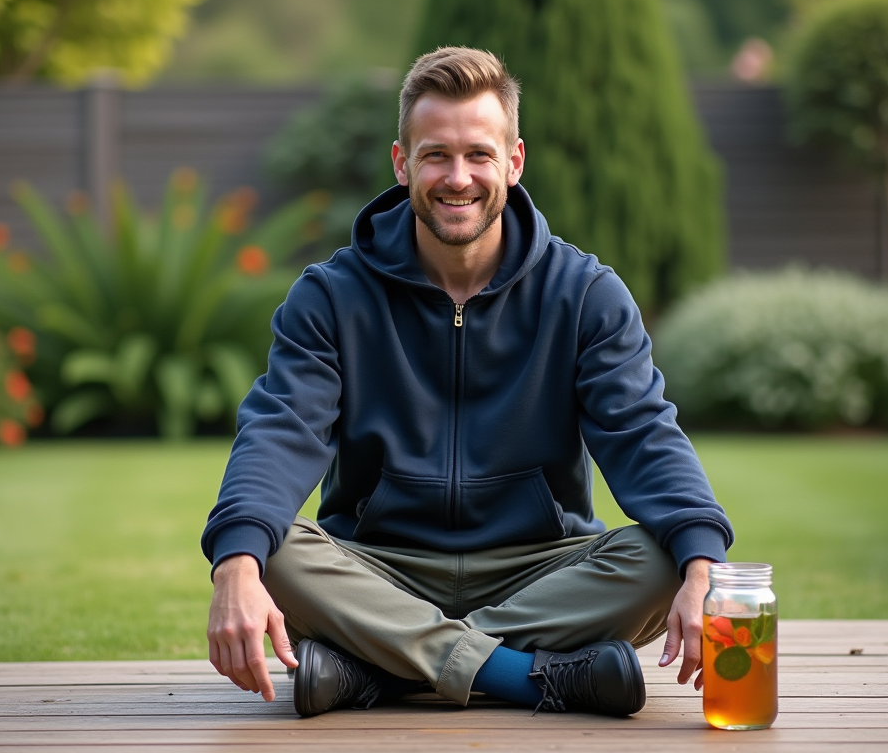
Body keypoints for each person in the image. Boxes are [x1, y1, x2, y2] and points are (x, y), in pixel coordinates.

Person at [202, 46, 733, 718]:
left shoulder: (585, 293)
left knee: (667, 556)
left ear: (513, 162)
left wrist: (701, 564)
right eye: (436, 156)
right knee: (268, 550)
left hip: (542, 568)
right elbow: (280, 430)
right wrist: (236, 568)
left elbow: (642, 432)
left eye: (479, 155)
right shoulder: (331, 297)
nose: (459, 178)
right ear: (403, 164)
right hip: (380, 568)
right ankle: (533, 677)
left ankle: (379, 670)